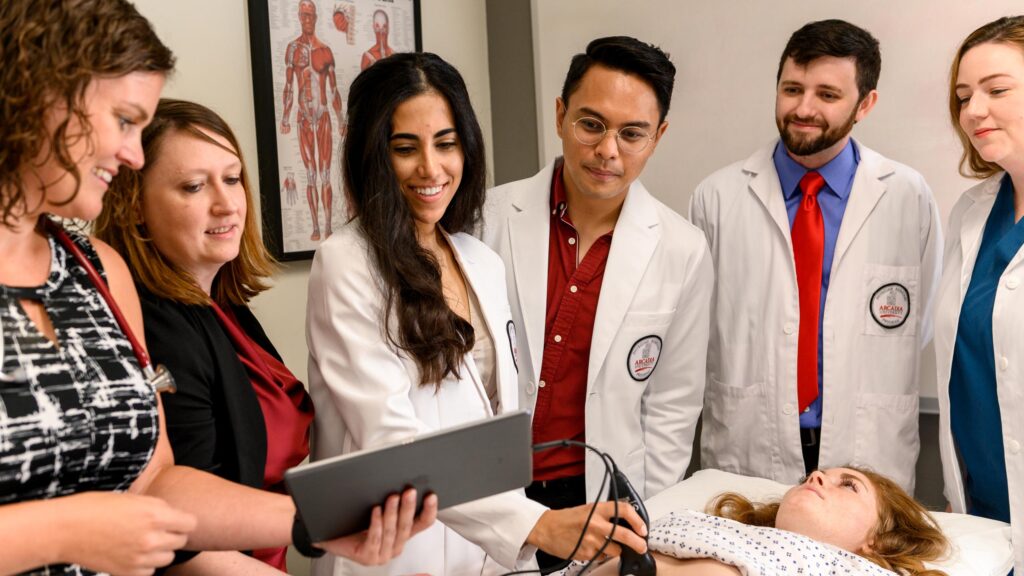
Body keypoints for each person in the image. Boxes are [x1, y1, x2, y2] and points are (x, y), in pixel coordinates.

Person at [0, 2, 434, 575]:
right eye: (125, 120)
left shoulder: (98, 271)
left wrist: (312, 522)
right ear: (44, 100)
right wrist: (64, 530)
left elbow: (156, 481)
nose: (132, 154)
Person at [306, 51, 649, 576]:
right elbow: (391, 442)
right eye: (405, 148)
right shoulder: (347, 262)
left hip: (489, 554)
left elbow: (492, 423)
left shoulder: (479, 261)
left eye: (446, 144)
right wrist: (535, 525)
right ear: (374, 156)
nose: (431, 168)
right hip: (398, 554)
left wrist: (521, 531)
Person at [480, 36, 712, 569]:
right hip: (493, 490)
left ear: (658, 137)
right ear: (560, 115)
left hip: (599, 497)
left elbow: (674, 404)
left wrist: (641, 512)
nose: (608, 150)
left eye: (632, 134)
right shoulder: (485, 220)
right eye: (591, 124)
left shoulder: (682, 249)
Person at [690, 19, 942, 492]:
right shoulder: (717, 198)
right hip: (747, 445)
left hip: (868, 446)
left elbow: (921, 322)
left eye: (827, 94)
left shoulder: (908, 197)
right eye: (792, 89)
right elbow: (698, 334)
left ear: (865, 104)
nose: (803, 108)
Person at [94, 98, 313, 573]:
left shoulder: (223, 307)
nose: (227, 202)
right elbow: (184, 548)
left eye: (232, 178)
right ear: (132, 205)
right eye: (194, 186)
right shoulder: (156, 325)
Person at [937, 15, 1024, 575]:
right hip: (979, 516)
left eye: (996, 90)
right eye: (964, 95)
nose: (972, 110)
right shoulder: (972, 212)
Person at [569, 467, 949, 576]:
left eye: (848, 485)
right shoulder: (703, 524)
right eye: (816, 476)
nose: (817, 476)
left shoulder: (856, 571)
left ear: (879, 542)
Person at [281, 0, 344, 241]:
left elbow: (334, 90)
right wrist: (285, 116)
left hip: (324, 116)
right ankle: (316, 227)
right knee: (310, 174)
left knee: (325, 174)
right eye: (303, 15)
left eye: (310, 15)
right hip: (304, 116)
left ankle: (328, 225)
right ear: (299, 16)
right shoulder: (292, 49)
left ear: (316, 18)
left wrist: (340, 119)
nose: (307, 19)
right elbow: (288, 86)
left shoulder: (325, 51)